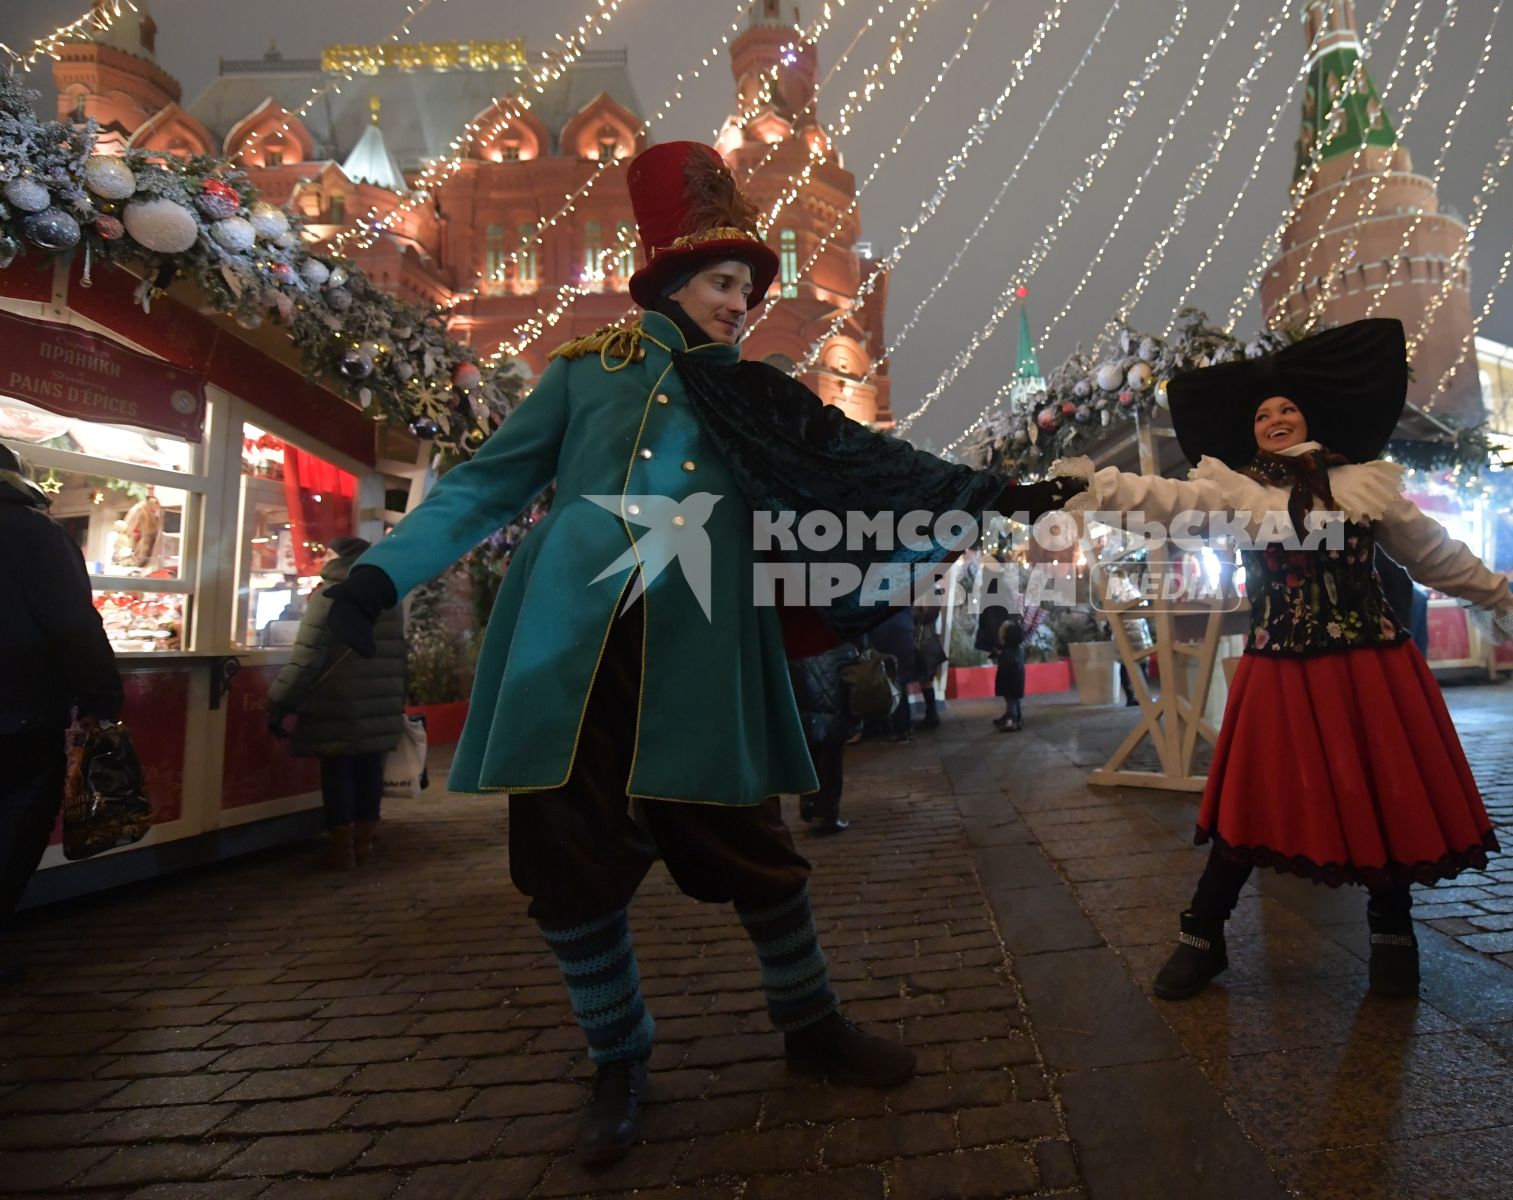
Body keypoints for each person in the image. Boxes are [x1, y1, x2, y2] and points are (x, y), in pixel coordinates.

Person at [317, 142, 1080, 1167]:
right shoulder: (584, 373)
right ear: (672, 281)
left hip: (700, 642)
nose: (740, 304)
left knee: (746, 838)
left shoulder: (757, 395)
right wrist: (376, 578)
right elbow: (482, 485)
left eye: (748, 289)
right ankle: (618, 1057)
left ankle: (810, 1023)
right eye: (725, 283)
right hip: (570, 643)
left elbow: (867, 464)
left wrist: (990, 495)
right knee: (565, 850)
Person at [1050, 320, 1513, 1000]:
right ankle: (1203, 934)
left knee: (1384, 791)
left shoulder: (1364, 485)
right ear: (1249, 432)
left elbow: (1430, 551)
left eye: (1286, 409)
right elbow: (1168, 501)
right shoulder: (1234, 493)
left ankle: (1392, 933)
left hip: (1371, 664)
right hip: (1280, 667)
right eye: (1262, 414)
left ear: (1307, 417)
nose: (1275, 418)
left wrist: (1495, 595)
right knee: (1250, 801)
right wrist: (1098, 488)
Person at [0, 442, 122, 980]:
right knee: (13, 828)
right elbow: (74, 625)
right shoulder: (36, 535)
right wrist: (100, 698)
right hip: (19, 715)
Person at [267, 536, 406, 869]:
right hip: (379, 700)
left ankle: (342, 848)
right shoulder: (389, 598)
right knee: (370, 768)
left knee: (337, 770)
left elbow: (306, 658)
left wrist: (279, 702)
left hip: (336, 701)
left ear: (337, 558)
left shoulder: (330, 595)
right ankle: (364, 844)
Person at [790, 642, 859, 833]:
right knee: (832, 758)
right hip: (835, 698)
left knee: (811, 752)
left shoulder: (796, 634)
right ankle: (828, 815)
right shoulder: (839, 635)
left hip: (807, 693)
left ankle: (809, 803)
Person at [867, 605, 917, 742]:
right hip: (906, 648)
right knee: (902, 687)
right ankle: (906, 727)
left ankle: (898, 730)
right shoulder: (905, 609)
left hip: (892, 650)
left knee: (894, 689)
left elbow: (880, 632)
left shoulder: (887, 611)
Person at [992, 605, 1028, 733]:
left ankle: (1012, 720)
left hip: (1010, 684)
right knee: (1015, 701)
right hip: (1017, 683)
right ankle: (1017, 718)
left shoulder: (1007, 654)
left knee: (1011, 701)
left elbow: (1005, 670)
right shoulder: (1018, 650)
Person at [910, 604, 945, 730]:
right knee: (925, 681)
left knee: (926, 680)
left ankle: (932, 716)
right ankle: (931, 715)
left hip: (925, 645)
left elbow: (928, 616)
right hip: (926, 644)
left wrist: (912, 611)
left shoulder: (929, 596)